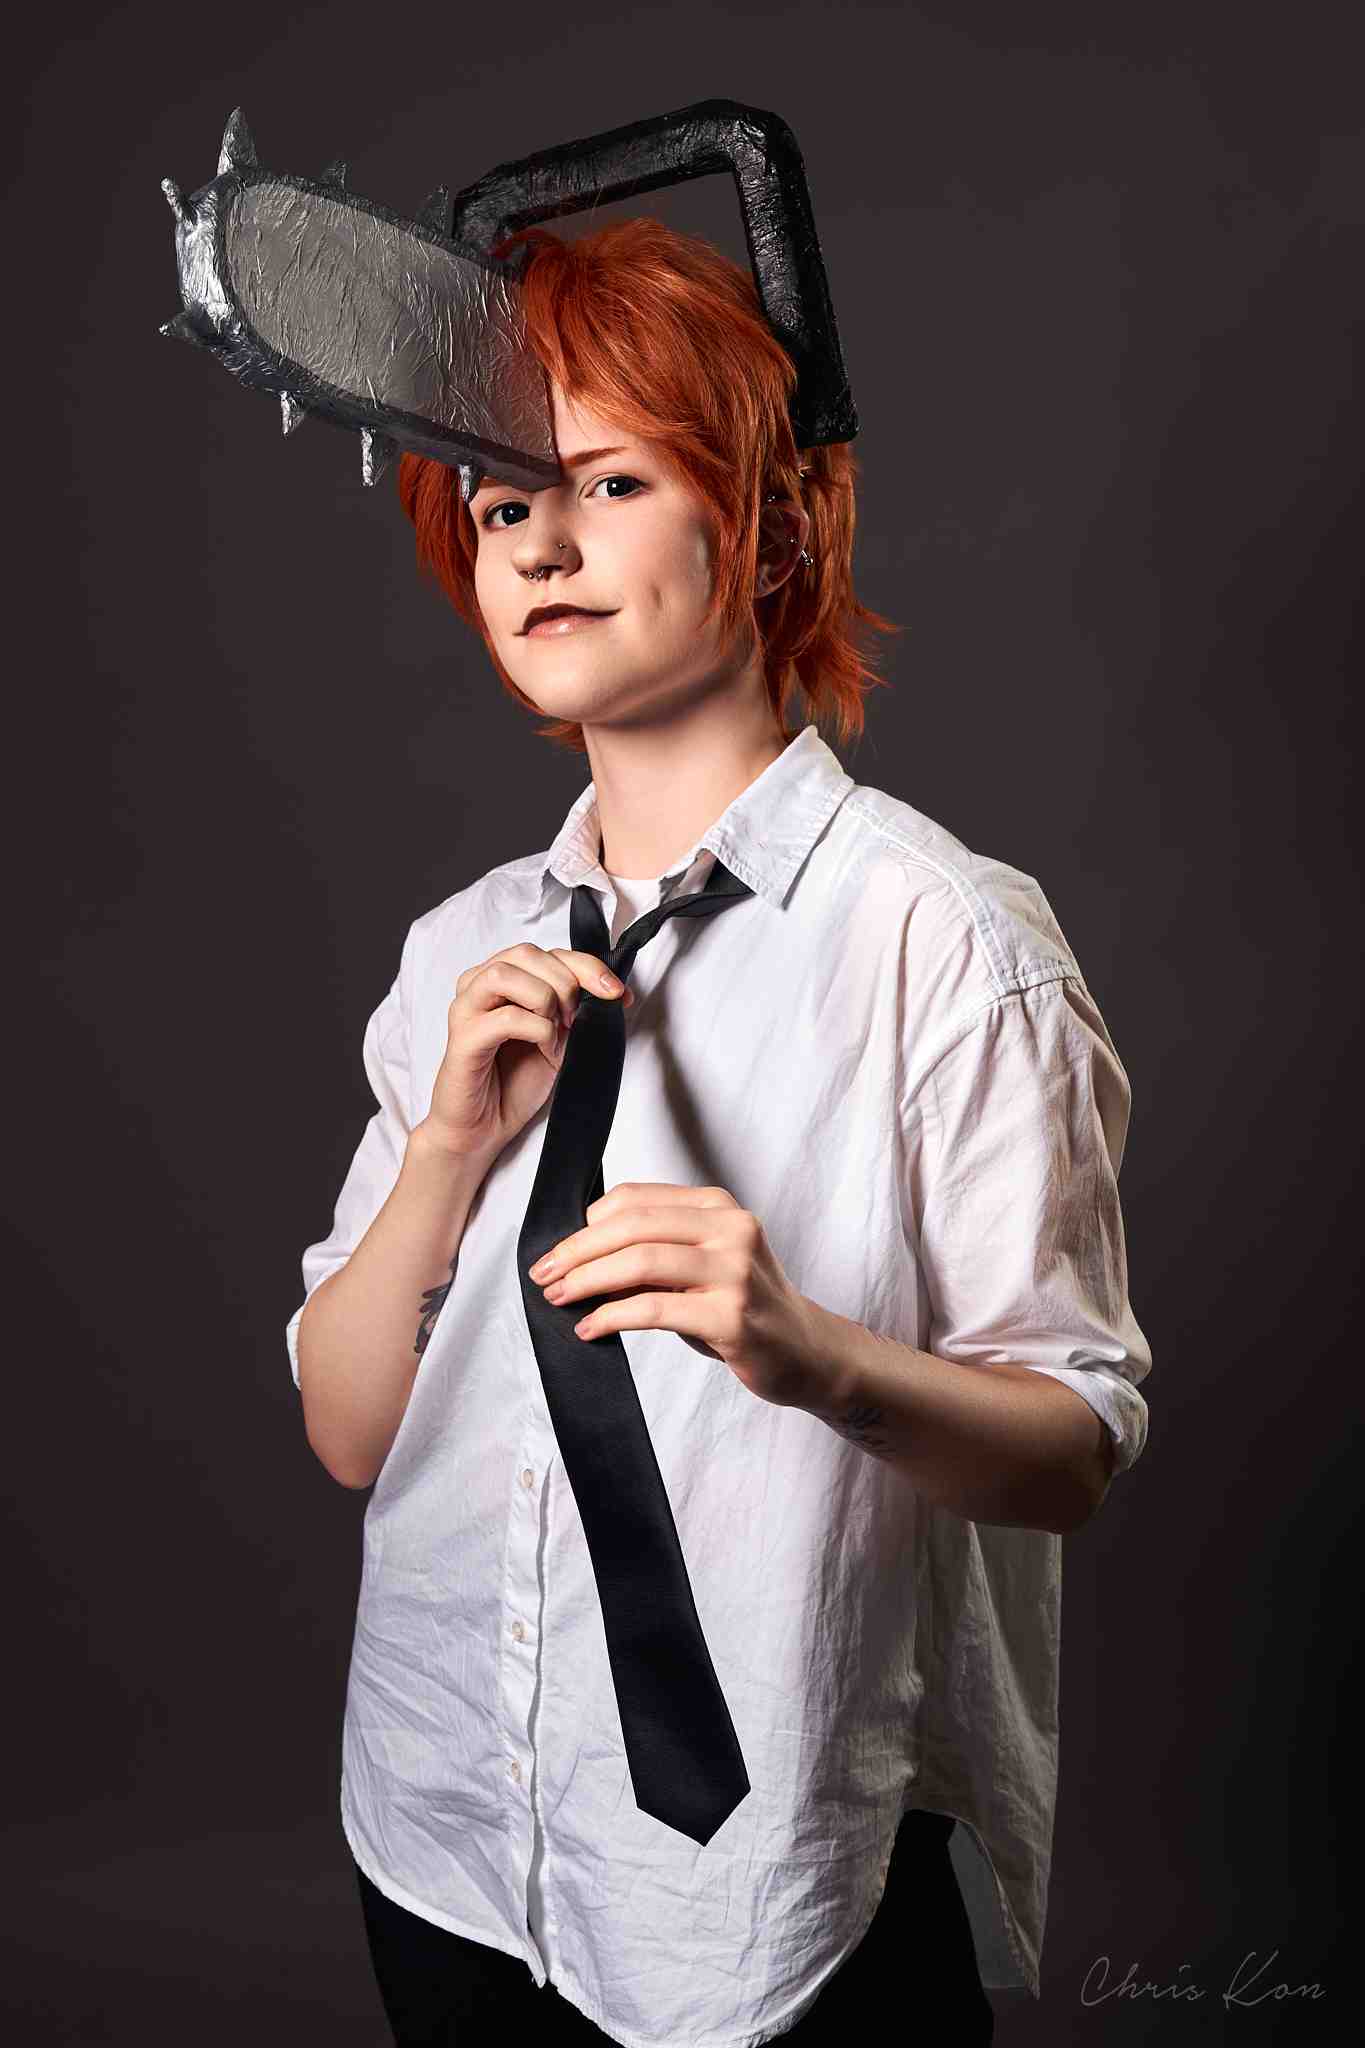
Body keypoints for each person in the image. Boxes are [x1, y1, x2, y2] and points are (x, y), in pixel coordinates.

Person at [287, 215, 1152, 2047]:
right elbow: (351, 1434)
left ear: (770, 531)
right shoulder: (460, 951)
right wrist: (443, 1157)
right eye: (500, 502)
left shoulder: (946, 943)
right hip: (442, 1832)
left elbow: (1071, 1450)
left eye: (607, 481)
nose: (538, 542)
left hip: (770, 1894)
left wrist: (808, 1352)